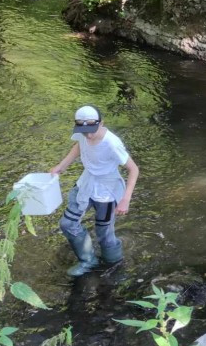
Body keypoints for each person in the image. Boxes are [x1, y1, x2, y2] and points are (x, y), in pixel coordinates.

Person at [49, 106, 139, 277]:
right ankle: (88, 261)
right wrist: (61, 166)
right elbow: (79, 146)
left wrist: (125, 199)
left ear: (101, 123)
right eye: (84, 131)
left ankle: (115, 265)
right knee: (67, 224)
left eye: (92, 130)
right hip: (85, 183)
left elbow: (133, 169)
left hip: (107, 191)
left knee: (104, 233)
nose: (88, 135)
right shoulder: (84, 135)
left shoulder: (112, 143)